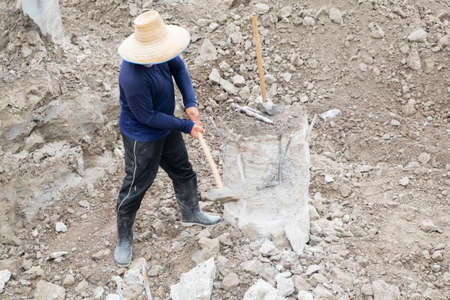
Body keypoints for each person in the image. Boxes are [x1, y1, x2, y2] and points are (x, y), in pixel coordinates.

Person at [115, 10, 221, 267]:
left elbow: (179, 68)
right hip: (143, 136)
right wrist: (185, 125)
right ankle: (124, 238)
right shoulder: (132, 77)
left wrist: (190, 103)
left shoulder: (162, 54)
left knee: (183, 171)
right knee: (136, 186)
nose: (164, 54)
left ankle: (191, 213)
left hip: (167, 125)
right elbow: (147, 117)